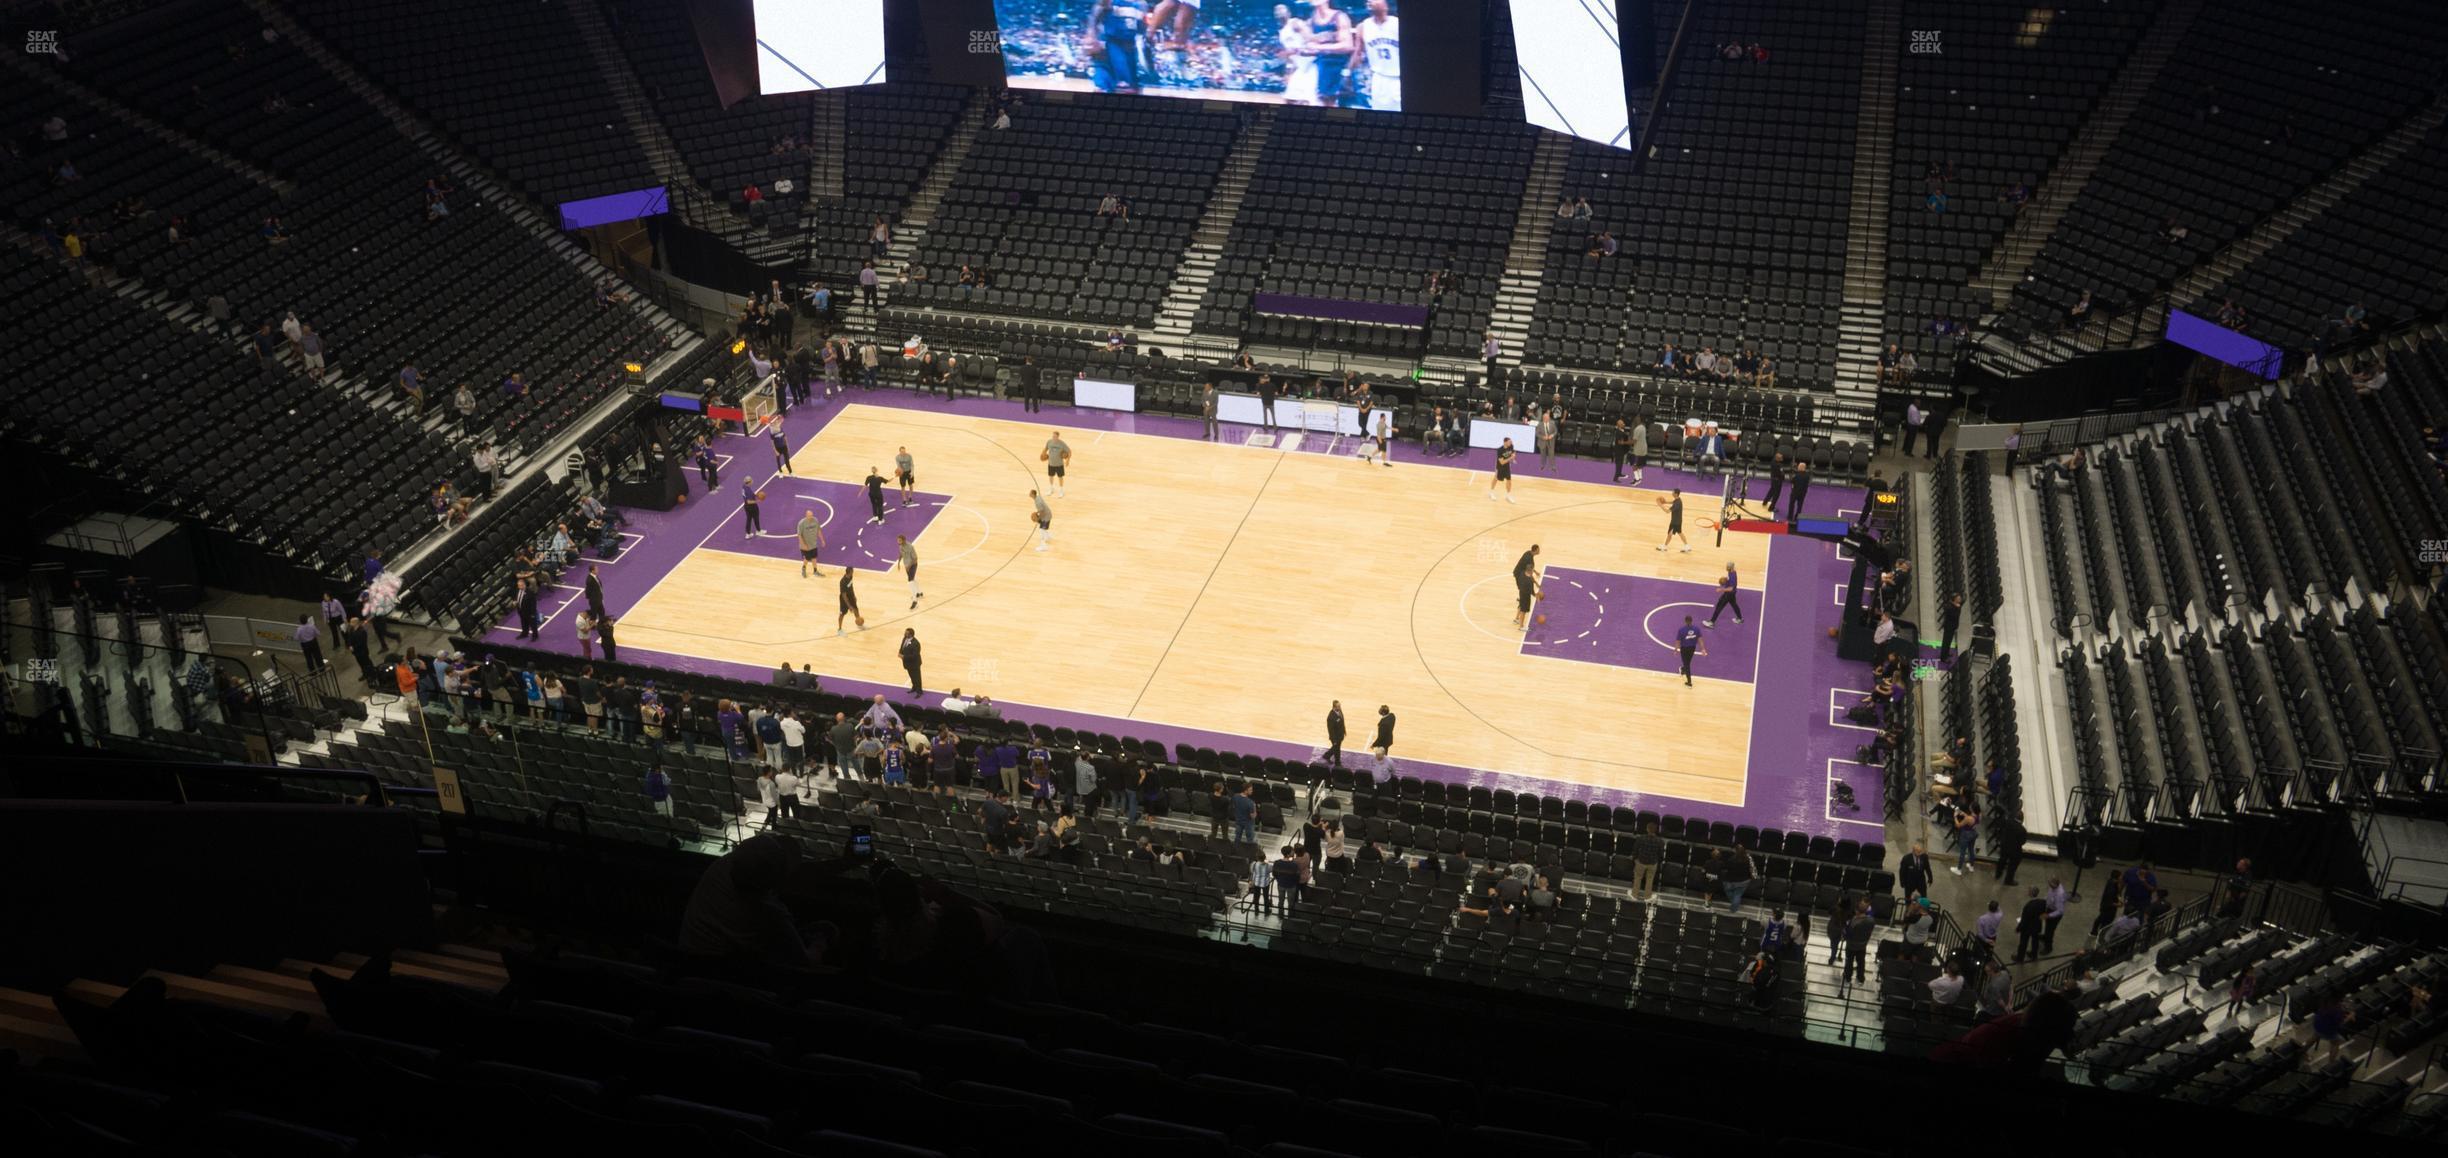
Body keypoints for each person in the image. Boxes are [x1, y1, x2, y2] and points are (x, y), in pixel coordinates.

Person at [676, 834, 828, 968]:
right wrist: (820, 942)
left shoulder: (723, 865)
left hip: (686, 961)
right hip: (728, 976)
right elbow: (806, 961)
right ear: (776, 877)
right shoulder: (770, 911)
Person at [1842, 900, 1875, 985]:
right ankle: (1860, 978)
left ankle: (1848, 976)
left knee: (1849, 962)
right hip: (1862, 945)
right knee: (1861, 962)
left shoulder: (1854, 922)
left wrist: (1844, 933)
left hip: (1851, 945)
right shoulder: (1871, 921)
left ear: (1856, 911)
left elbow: (1848, 934)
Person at [1630, 819, 1663, 900]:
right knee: (1650, 879)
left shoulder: (1641, 838)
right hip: (1652, 863)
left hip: (1641, 862)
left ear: (1647, 829)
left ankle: (1634, 894)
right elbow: (1660, 854)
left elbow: (1635, 849)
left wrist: (1634, 859)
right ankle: (1647, 896)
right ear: (1656, 831)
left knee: (1637, 878)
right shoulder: (1660, 841)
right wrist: (1658, 861)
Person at [1511, 544, 1541, 630]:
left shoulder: (1528, 554)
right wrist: (1536, 594)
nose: (1539, 551)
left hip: (1521, 579)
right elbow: (1531, 591)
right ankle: (1521, 626)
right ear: (1535, 550)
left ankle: (1516, 619)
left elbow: (1530, 567)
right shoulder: (1528, 580)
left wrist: (1535, 573)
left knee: (1522, 600)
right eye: (1538, 549)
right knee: (1524, 607)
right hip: (1519, 578)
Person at [1719, 841, 1755, 914]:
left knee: (1729, 892)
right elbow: (1752, 869)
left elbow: (1726, 869)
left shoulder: (1731, 860)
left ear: (1735, 850)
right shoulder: (1748, 859)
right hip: (1743, 881)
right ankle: (1734, 909)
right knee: (1737, 895)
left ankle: (1735, 904)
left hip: (1730, 881)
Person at [1705, 562, 1743, 627]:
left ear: (1731, 567)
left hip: (1729, 594)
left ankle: (1711, 622)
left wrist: (1721, 589)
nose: (1726, 568)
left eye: (1728, 567)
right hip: (1732, 593)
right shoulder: (1731, 572)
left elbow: (1731, 588)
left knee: (1719, 606)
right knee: (1734, 605)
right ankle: (1739, 618)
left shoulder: (1732, 576)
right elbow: (1730, 581)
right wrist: (1725, 580)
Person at [1655, 488, 1690, 552]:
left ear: (1676, 494)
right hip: (1678, 520)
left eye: (1673, 492)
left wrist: (1660, 505)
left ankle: (1664, 547)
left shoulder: (1677, 504)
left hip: (1675, 522)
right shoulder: (1678, 500)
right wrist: (1664, 502)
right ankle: (1687, 546)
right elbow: (1671, 502)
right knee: (1680, 533)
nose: (1672, 493)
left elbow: (1667, 511)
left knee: (1670, 534)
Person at [1675, 615, 1706, 686]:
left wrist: (1676, 649)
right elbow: (1700, 640)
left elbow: (1678, 641)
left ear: (1685, 621)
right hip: (1692, 648)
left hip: (1684, 649)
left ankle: (1689, 682)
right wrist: (1703, 649)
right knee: (1687, 662)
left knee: (1687, 664)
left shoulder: (1681, 630)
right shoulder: (1696, 629)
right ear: (1692, 621)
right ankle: (1683, 669)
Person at [796, 510, 826, 579]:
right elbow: (799, 535)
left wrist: (822, 540)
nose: (811, 517)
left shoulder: (815, 520)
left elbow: (818, 530)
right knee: (807, 558)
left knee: (814, 557)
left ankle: (815, 571)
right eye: (810, 516)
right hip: (805, 545)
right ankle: (804, 568)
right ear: (806, 515)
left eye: (812, 515)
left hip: (813, 544)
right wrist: (803, 545)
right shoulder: (801, 523)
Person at [1041, 431, 1072, 497]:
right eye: (1053, 436)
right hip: (1051, 463)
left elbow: (1069, 451)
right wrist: (1042, 454)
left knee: (1060, 477)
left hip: (1059, 464)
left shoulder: (1062, 444)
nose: (1053, 437)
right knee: (1051, 476)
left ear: (1058, 437)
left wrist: (1067, 460)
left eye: (1055, 436)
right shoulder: (1049, 442)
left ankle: (1061, 491)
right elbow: (1045, 449)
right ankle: (1051, 489)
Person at [836, 568, 866, 635]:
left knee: (856, 609)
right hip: (844, 600)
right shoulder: (843, 582)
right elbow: (844, 595)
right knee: (842, 614)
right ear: (850, 572)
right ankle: (839, 630)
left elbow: (851, 587)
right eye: (852, 571)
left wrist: (854, 596)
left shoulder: (850, 577)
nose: (853, 572)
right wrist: (849, 606)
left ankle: (859, 623)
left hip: (851, 597)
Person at [1488, 437, 1517, 502]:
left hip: (1507, 466)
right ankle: (1491, 492)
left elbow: (1513, 452)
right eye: (1509, 442)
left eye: (1511, 442)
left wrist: (1513, 458)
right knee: (1496, 479)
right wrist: (1511, 458)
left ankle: (1508, 495)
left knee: (1509, 480)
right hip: (1500, 466)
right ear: (1505, 442)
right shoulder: (1500, 450)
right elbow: (1502, 462)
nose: (1511, 443)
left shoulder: (1511, 446)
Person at [899, 629, 923, 696]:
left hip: (914, 664)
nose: (904, 634)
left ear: (911, 634)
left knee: (917, 678)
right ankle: (914, 687)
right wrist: (900, 652)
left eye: (906, 633)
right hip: (907, 663)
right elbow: (902, 647)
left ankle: (919, 691)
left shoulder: (916, 643)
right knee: (911, 676)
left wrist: (904, 657)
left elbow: (914, 656)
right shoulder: (904, 638)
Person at [1030, 487, 1054, 552]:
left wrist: (1038, 519)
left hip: (1046, 516)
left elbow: (1042, 511)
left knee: (1041, 530)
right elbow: (1041, 510)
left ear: (1033, 494)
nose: (1029, 494)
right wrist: (1037, 513)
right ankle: (1048, 536)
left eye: (1030, 494)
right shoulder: (1038, 497)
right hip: (1047, 514)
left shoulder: (1038, 502)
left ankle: (1043, 546)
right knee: (1043, 528)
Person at [1324, 699, 1346, 767]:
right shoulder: (1331, 717)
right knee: (1337, 750)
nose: (1340, 707)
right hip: (1335, 737)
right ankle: (1337, 763)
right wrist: (1334, 740)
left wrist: (1344, 731)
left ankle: (1327, 755)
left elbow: (1342, 722)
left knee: (1335, 748)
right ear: (1334, 707)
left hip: (1340, 735)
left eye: (1340, 705)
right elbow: (1331, 731)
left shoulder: (1339, 711)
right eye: (1338, 706)